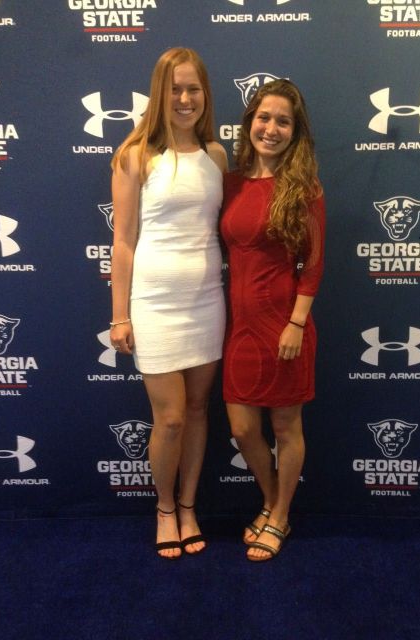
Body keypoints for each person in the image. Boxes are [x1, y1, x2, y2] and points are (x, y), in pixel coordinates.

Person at [109, 47, 227, 559]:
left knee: (198, 410)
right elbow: (123, 241)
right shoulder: (135, 154)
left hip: (207, 301)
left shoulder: (216, 156)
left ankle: (188, 506)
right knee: (172, 418)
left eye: (193, 89)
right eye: (175, 89)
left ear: (205, 94)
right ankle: (163, 508)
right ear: (159, 93)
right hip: (155, 303)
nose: (184, 99)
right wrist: (119, 314)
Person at [220, 79, 325, 562]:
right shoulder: (232, 183)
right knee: (243, 429)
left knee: (286, 428)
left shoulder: (304, 188)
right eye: (264, 117)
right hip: (239, 328)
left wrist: (296, 324)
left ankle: (279, 515)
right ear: (250, 123)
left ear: (294, 131)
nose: (271, 128)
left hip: (285, 326)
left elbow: (314, 264)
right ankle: (270, 499)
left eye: (283, 121)